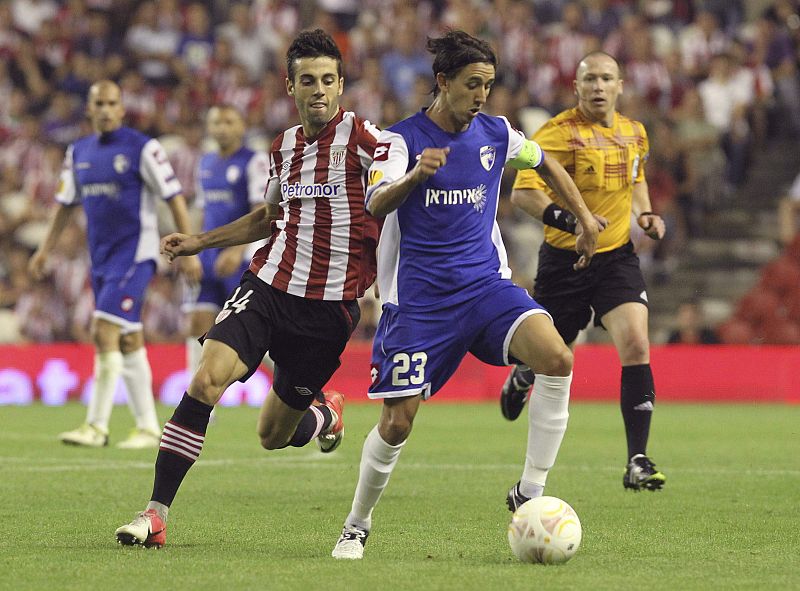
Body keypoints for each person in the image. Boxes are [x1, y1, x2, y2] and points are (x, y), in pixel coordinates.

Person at [331, 30, 599, 560]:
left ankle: (531, 492)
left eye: (488, 85)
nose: (481, 95)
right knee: (397, 423)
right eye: (472, 84)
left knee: (558, 358)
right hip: (419, 304)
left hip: (485, 288)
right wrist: (415, 177)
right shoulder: (400, 141)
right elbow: (377, 202)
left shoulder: (497, 133)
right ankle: (356, 524)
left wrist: (585, 218)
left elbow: (544, 161)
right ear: (443, 81)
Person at [114, 29, 381, 549]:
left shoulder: (367, 141)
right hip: (268, 285)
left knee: (272, 435)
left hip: (327, 310)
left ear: (341, 84)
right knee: (205, 381)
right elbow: (267, 217)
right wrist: (199, 241)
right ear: (291, 86)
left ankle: (325, 414)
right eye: (309, 80)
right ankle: (155, 515)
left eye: (328, 80)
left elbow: (399, 191)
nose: (319, 90)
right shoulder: (283, 147)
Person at [499, 51, 668, 492]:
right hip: (565, 263)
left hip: (616, 258)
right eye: (589, 79)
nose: (598, 86)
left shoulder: (634, 132)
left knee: (636, 343)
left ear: (620, 86)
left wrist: (645, 213)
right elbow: (523, 193)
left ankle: (638, 460)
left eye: (606, 78)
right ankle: (524, 373)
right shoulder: (556, 133)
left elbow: (636, 177)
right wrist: (573, 221)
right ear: (576, 87)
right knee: (552, 354)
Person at [29, 80, 201, 449]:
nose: (106, 110)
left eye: (112, 103)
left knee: (103, 329)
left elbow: (174, 196)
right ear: (89, 109)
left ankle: (96, 425)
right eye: (99, 104)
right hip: (101, 259)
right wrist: (44, 250)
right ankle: (148, 427)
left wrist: (188, 248)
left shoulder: (142, 148)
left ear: (122, 109)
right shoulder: (78, 152)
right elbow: (64, 204)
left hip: (135, 255)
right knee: (128, 338)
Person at [183, 105, 269, 379]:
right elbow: (202, 210)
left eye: (229, 122)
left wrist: (236, 250)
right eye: (217, 122)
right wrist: (191, 250)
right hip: (208, 256)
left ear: (242, 126)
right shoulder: (205, 163)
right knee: (198, 321)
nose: (222, 128)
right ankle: (195, 395)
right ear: (209, 127)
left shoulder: (254, 161)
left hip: (242, 258)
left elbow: (261, 210)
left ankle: (298, 384)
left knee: (250, 330)